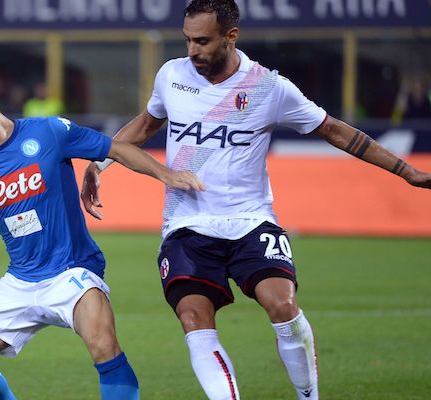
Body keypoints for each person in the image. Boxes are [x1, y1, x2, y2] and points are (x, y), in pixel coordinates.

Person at [80, 1, 431, 399]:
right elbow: (145, 124)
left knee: (281, 306)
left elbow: (334, 130)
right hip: (186, 224)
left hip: (251, 221)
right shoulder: (172, 76)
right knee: (194, 318)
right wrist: (100, 162)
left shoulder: (268, 87)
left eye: (202, 41)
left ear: (231, 36)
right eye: (187, 40)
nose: (192, 50)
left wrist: (406, 171)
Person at [0, 68, 205, 399]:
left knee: (103, 344)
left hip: (72, 270)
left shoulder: (49, 132)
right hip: (20, 281)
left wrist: (167, 174)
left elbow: (116, 149)